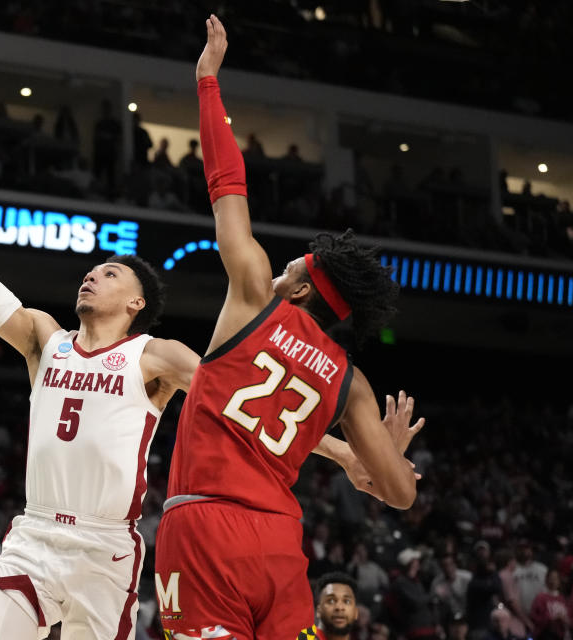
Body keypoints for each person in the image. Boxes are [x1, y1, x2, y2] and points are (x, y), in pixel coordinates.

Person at [0, 113, 397, 640]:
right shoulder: (46, 339)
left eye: (108, 273)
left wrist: (344, 453)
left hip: (105, 548)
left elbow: (245, 407)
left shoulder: (155, 356)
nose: (92, 276)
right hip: (34, 535)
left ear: (136, 300)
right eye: (91, 271)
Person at [153, 16, 422, 640]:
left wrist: (208, 84)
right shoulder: (351, 382)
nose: (275, 272)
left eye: (289, 268)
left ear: (299, 289)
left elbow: (227, 185)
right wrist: (379, 460)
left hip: (204, 530)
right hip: (279, 542)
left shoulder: (253, 299)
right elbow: (401, 496)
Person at [298, 572, 360, 640]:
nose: (339, 607)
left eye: (346, 601)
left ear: (356, 612)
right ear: (318, 610)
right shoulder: (304, 637)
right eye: (331, 601)